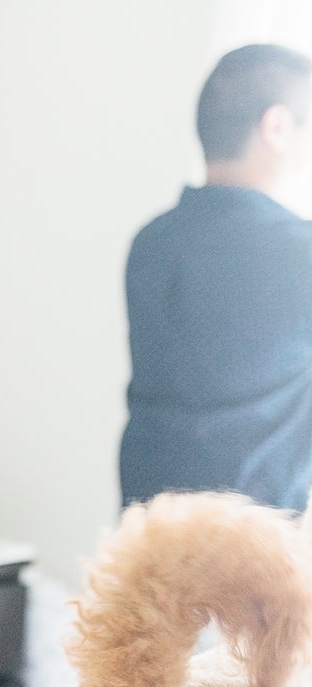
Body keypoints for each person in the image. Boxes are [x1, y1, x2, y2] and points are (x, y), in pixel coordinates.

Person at [120, 43, 312, 511]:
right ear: (277, 127)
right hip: (252, 560)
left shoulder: (152, 243)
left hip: (146, 544)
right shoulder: (300, 251)